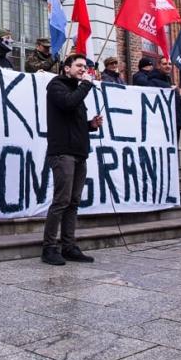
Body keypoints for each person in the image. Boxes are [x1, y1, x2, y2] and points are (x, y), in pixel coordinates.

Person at [41, 54, 104, 265]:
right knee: (61, 201)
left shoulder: (77, 90)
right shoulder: (56, 85)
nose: (83, 69)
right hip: (62, 153)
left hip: (79, 153)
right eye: (78, 65)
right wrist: (85, 86)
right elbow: (67, 104)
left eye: (85, 66)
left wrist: (90, 125)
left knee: (73, 202)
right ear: (66, 68)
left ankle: (68, 246)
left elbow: (72, 121)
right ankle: (49, 248)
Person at [148, 57, 181, 136]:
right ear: (158, 65)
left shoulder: (170, 83)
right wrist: (168, 90)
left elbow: (179, 106)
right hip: (162, 124)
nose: (168, 66)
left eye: (170, 64)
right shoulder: (152, 82)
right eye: (164, 64)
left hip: (175, 123)